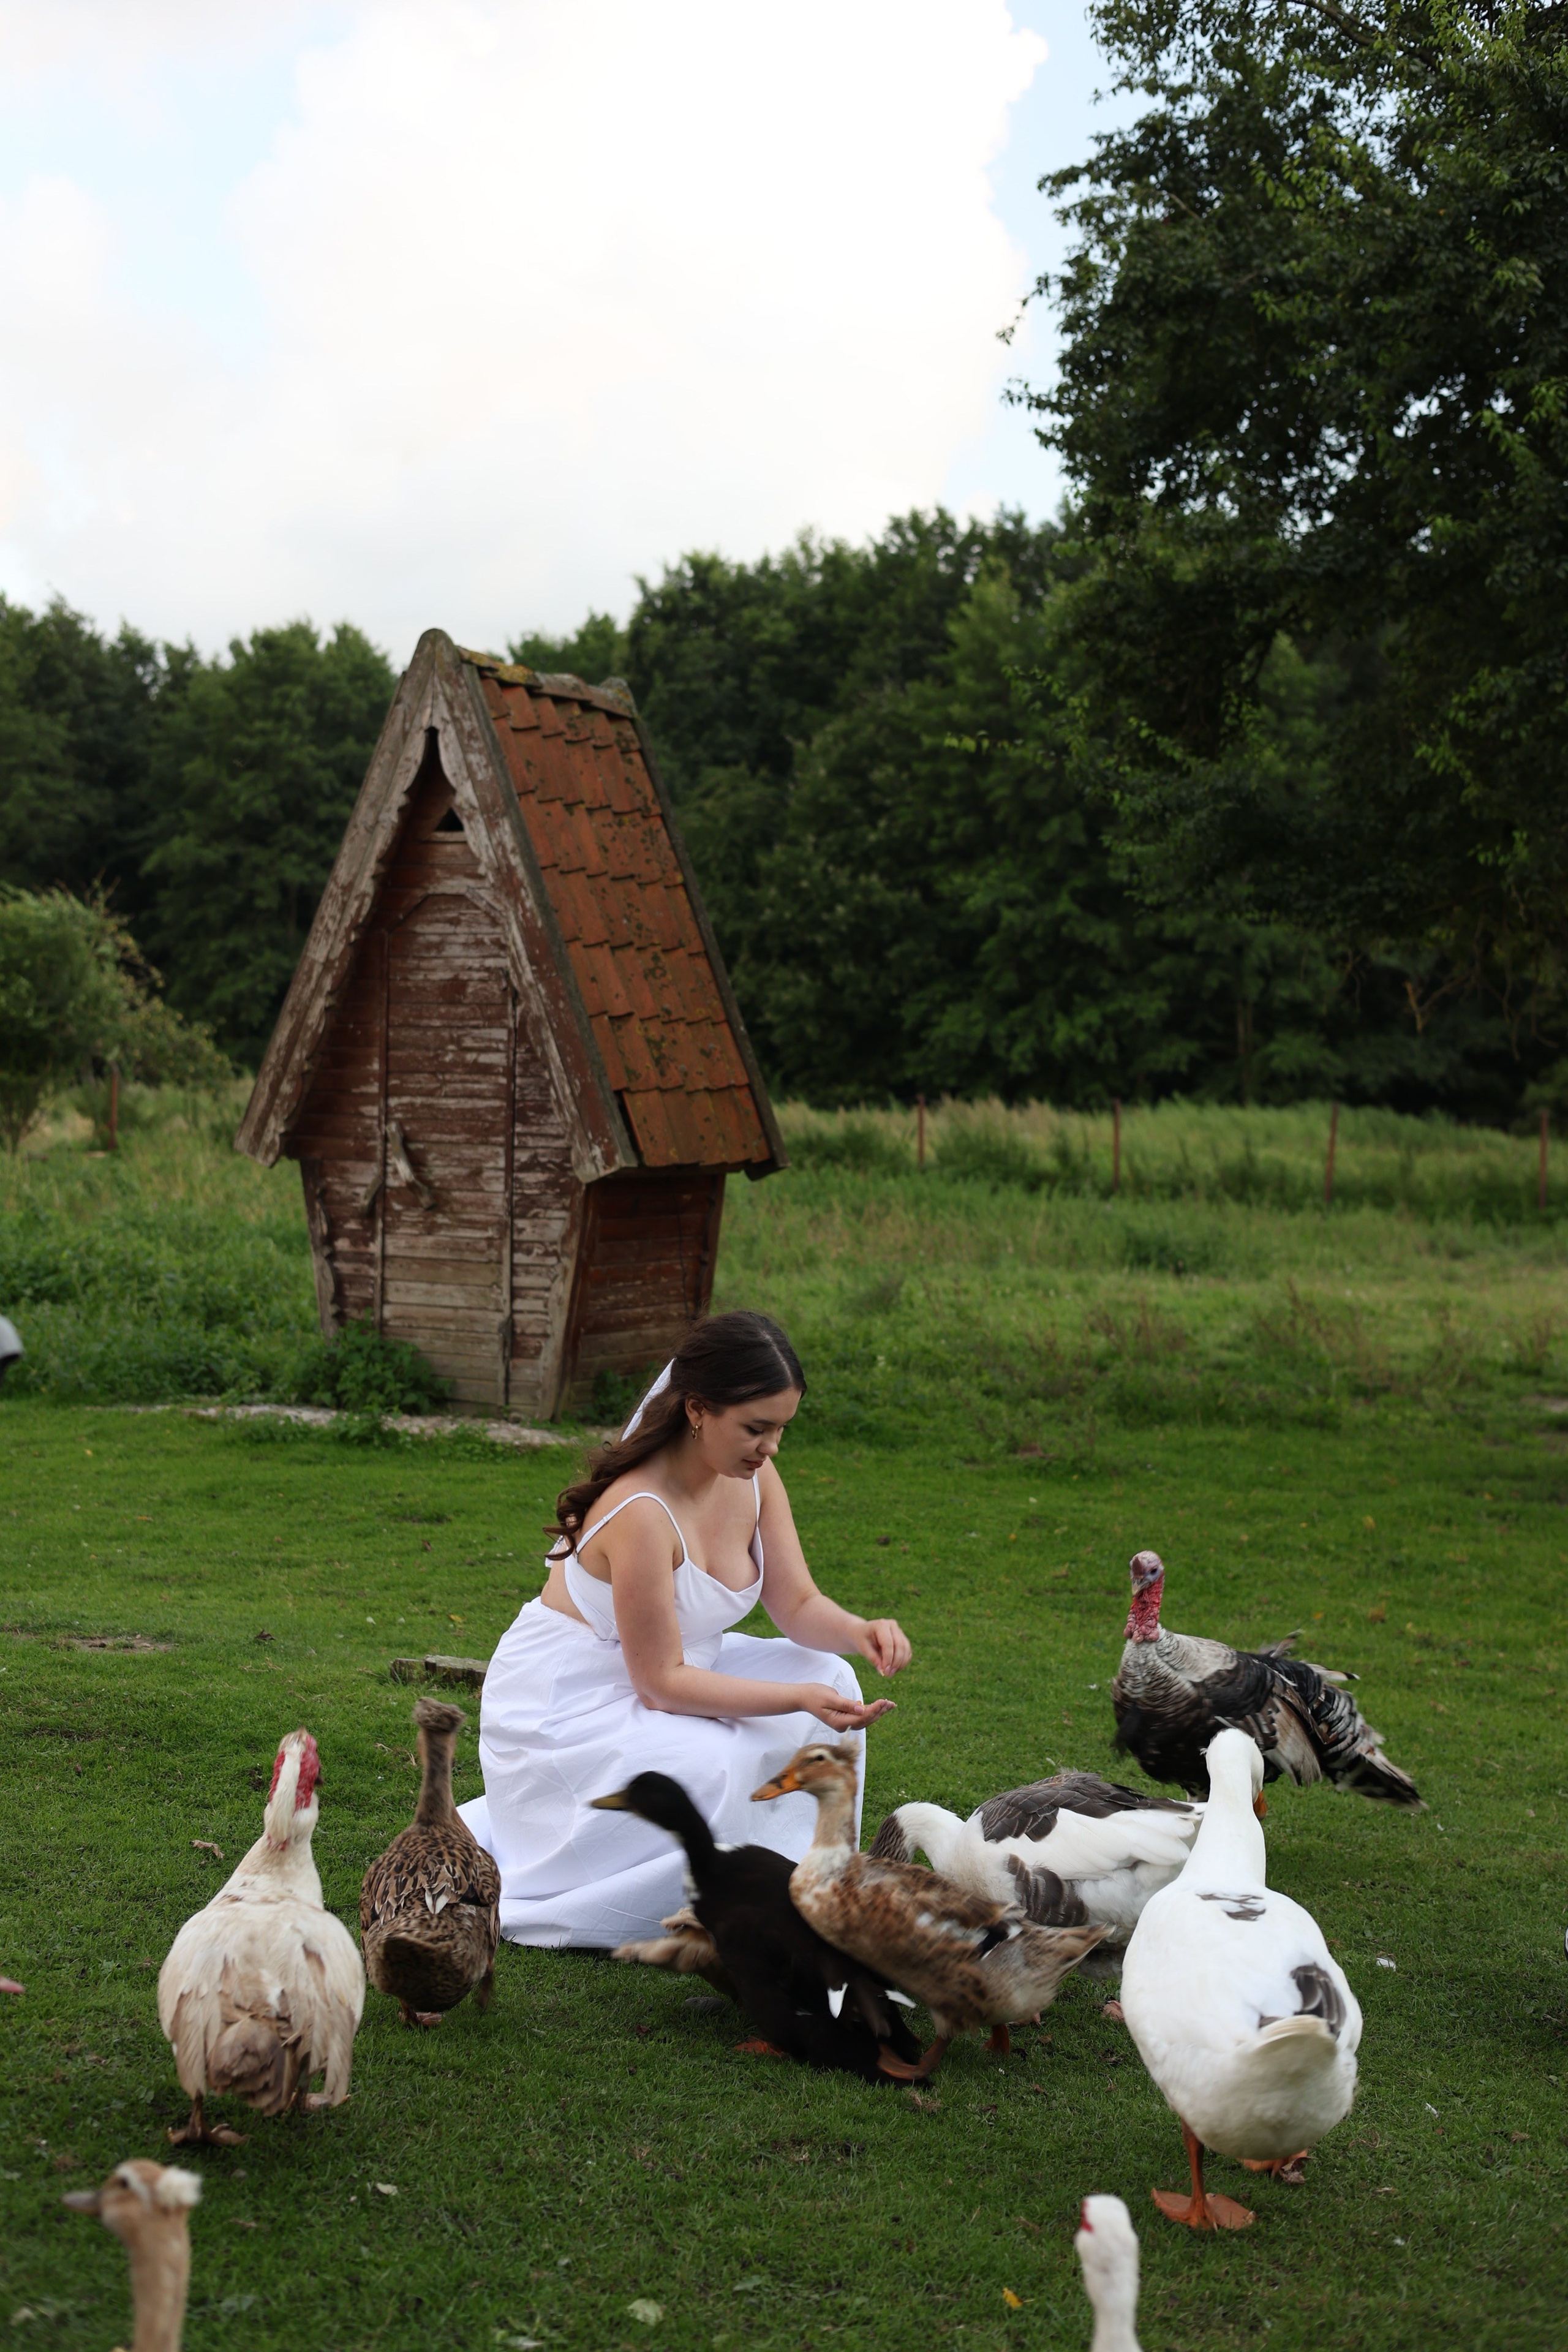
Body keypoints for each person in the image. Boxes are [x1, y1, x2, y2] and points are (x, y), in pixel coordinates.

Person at [458, 1311, 911, 1947]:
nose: (771, 1447)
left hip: (683, 1661)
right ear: (697, 1410)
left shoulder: (753, 1479)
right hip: (575, 1694)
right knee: (713, 1759)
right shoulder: (640, 1512)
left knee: (830, 1672)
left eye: (781, 1429)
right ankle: (703, 1900)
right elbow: (661, 1684)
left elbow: (797, 1602)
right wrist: (795, 1700)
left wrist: (858, 1630)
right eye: (756, 1429)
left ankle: (805, 1881)